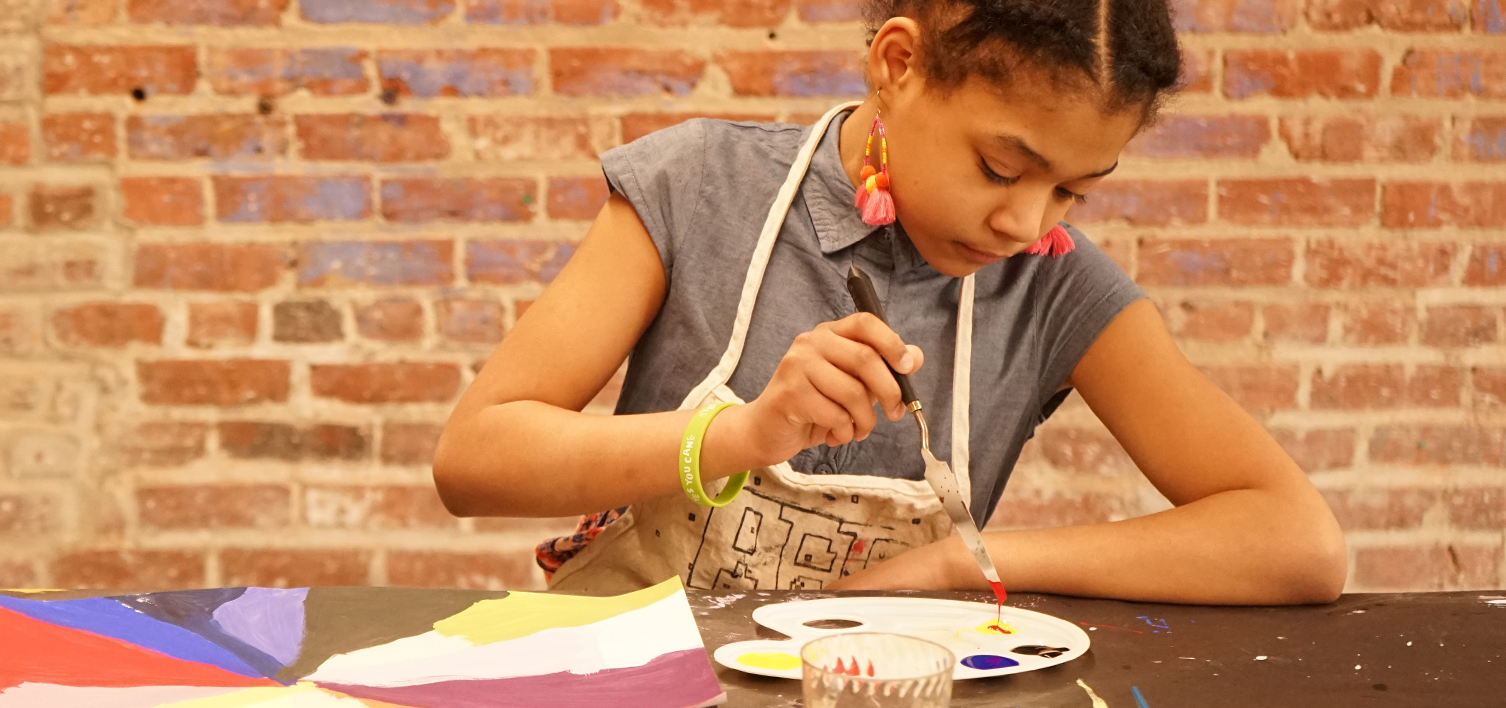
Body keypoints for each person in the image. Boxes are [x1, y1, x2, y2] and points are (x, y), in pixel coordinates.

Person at [432, 0, 1346, 604]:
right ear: (898, 63)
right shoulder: (696, 183)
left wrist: (966, 561)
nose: (1027, 222)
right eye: (1002, 167)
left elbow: (1296, 542)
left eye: (1074, 190)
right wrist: (741, 438)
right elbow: (474, 461)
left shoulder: (1056, 284)